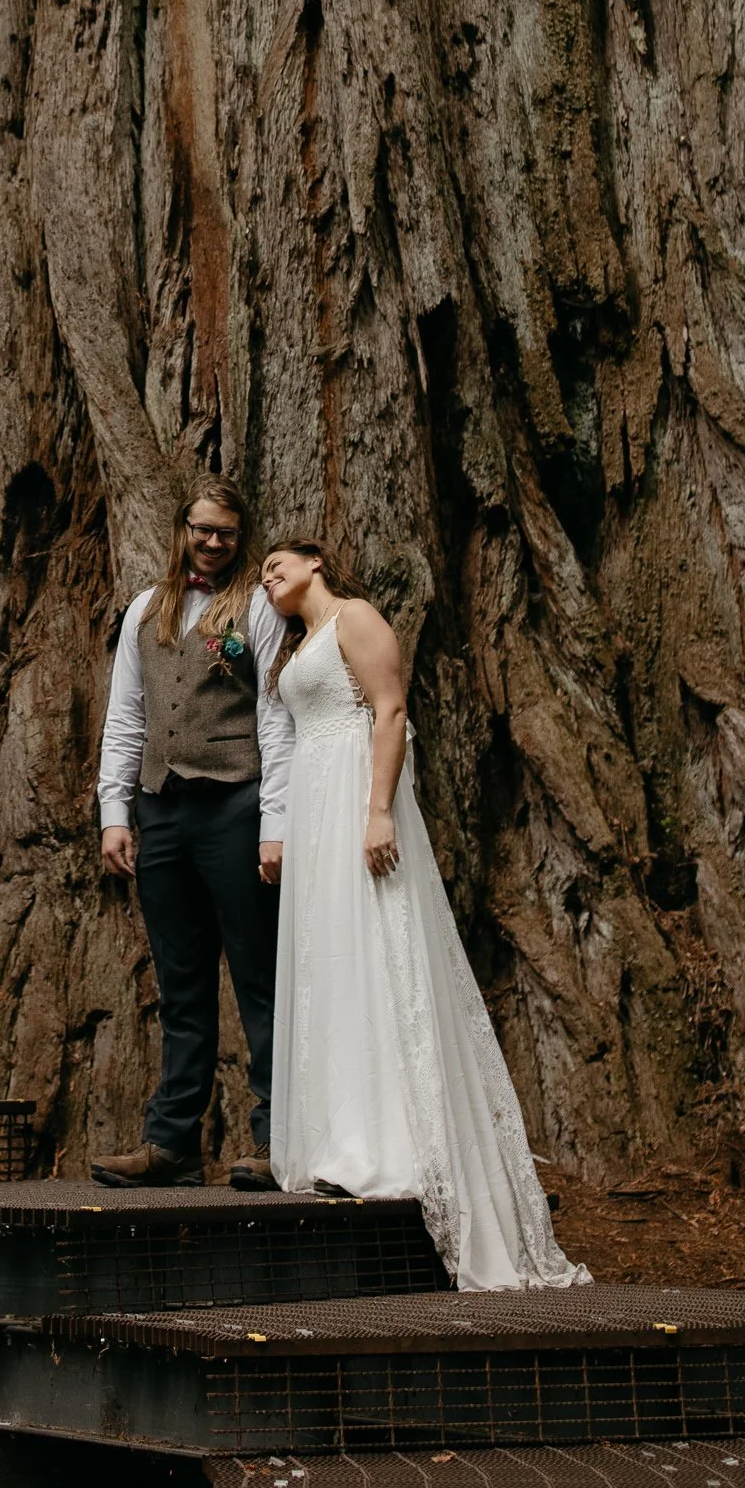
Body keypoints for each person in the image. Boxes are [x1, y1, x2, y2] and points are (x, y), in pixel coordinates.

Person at [261, 536, 588, 1291]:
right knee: (331, 968)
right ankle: (340, 1136)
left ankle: (397, 1143)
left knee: (377, 954)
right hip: (314, 803)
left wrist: (376, 812)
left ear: (316, 560)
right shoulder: (298, 645)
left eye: (280, 563)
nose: (269, 576)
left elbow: (391, 710)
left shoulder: (354, 617)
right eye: (264, 572)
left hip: (354, 794)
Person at [91, 479, 293, 1189]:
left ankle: (279, 1142)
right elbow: (126, 716)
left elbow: (274, 718)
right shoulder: (148, 609)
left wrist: (275, 824)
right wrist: (115, 813)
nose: (213, 543)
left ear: (242, 538)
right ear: (182, 529)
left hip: (235, 808)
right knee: (180, 985)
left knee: (259, 979)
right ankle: (172, 1145)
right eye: (203, 529)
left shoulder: (261, 608)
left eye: (227, 534)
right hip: (163, 811)